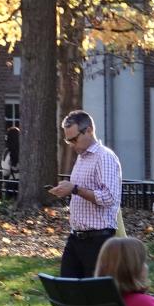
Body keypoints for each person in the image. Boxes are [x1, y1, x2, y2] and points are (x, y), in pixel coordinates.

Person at [51, 110, 123, 277]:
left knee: (95, 295)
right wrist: (66, 189)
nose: (71, 144)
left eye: (74, 139)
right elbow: (78, 189)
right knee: (66, 290)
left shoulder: (104, 157)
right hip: (76, 237)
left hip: (99, 240)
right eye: (68, 140)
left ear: (89, 130)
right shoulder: (82, 158)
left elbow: (108, 197)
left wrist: (75, 189)